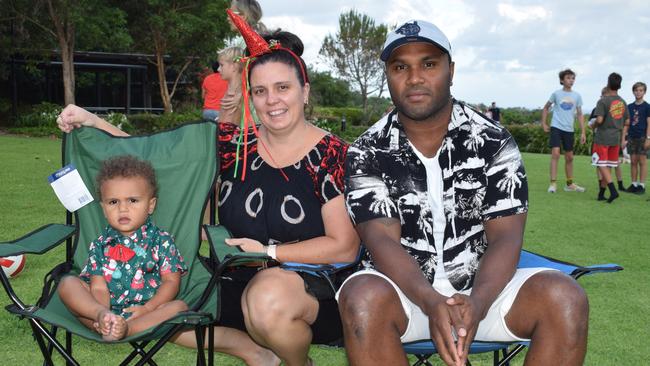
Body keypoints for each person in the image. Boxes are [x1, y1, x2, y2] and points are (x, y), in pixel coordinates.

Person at [56, 14, 359, 366]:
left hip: (313, 289)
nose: (272, 100)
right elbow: (152, 154)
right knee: (161, 302)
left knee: (265, 299)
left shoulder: (333, 154)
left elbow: (344, 245)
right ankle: (256, 354)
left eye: (283, 88)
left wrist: (268, 251)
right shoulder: (232, 144)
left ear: (304, 91)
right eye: (260, 91)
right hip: (229, 278)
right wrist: (92, 121)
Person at [337, 19, 589, 366]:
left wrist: (479, 302)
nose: (414, 78)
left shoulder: (493, 141)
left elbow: (506, 236)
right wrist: (429, 300)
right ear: (388, 75)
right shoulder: (366, 151)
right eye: (400, 67)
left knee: (566, 297)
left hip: (484, 289)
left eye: (428, 64)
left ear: (450, 70)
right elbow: (380, 240)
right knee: (361, 297)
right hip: (402, 294)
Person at [58, 155, 188, 341]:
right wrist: (103, 313)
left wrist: (148, 308)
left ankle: (126, 330)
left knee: (179, 307)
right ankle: (105, 324)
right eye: (113, 202)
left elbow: (171, 282)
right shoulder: (100, 244)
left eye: (133, 200)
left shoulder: (162, 241)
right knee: (67, 284)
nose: (123, 209)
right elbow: (99, 288)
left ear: (151, 205)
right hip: (103, 311)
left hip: (147, 313)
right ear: (103, 208)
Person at [541, 68, 587, 193]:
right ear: (562, 80)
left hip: (569, 129)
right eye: (568, 78)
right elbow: (545, 108)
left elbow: (580, 114)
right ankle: (553, 184)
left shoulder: (577, 96)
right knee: (555, 153)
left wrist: (583, 131)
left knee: (570, 157)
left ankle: (569, 184)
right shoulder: (556, 94)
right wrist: (544, 123)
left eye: (573, 78)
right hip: (556, 127)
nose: (571, 80)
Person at [592, 73, 630, 203]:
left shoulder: (603, 101)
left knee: (600, 164)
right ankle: (601, 194)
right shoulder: (623, 102)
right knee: (608, 166)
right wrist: (622, 137)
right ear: (619, 85)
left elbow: (600, 119)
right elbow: (627, 121)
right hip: (616, 138)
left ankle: (613, 191)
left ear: (608, 83)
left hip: (603, 138)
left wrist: (593, 125)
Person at [625, 82, 650, 194]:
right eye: (636, 90)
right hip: (631, 136)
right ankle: (634, 184)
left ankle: (642, 186)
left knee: (642, 162)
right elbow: (627, 123)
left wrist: (648, 138)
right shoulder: (629, 107)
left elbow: (649, 123)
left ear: (644, 92)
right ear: (633, 91)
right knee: (633, 161)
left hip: (642, 136)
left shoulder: (647, 107)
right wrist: (625, 137)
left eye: (640, 90)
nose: (638, 92)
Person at [215, 46, 244, 124]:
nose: (218, 69)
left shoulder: (239, 93)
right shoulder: (235, 91)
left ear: (234, 66)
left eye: (222, 65)